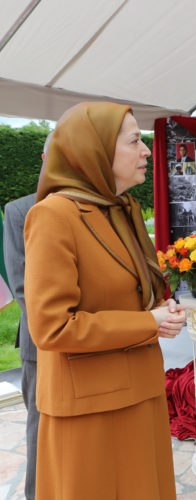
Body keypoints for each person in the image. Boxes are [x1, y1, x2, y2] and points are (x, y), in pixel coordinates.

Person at [24, 102, 187, 500]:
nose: (147, 151)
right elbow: (52, 326)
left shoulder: (122, 209)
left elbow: (133, 292)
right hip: (91, 411)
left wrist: (160, 311)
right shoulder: (54, 216)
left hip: (140, 394)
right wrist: (149, 322)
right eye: (135, 141)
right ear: (94, 151)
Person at [3, 132, 52, 500]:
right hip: (41, 344)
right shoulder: (19, 210)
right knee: (38, 430)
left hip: (89, 341)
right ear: (44, 156)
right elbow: (22, 288)